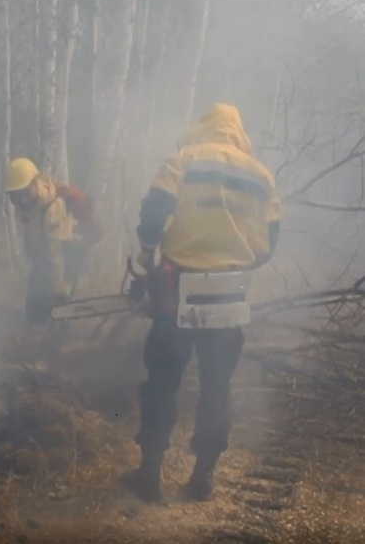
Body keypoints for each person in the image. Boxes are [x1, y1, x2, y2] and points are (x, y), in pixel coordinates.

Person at [123, 103, 281, 503]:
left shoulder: (185, 159)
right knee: (217, 387)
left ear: (204, 127)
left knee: (162, 380)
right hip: (231, 292)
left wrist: (147, 249)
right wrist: (235, 260)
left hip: (179, 285)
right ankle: (203, 476)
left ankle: (149, 475)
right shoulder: (262, 176)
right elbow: (269, 242)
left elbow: (155, 207)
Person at [5, 157, 102, 324]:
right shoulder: (30, 206)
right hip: (43, 260)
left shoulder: (52, 209)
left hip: (64, 262)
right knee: (34, 310)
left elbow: (57, 253)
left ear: (35, 183)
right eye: (16, 196)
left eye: (24, 193)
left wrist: (59, 291)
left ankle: (57, 338)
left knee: (59, 311)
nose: (22, 201)